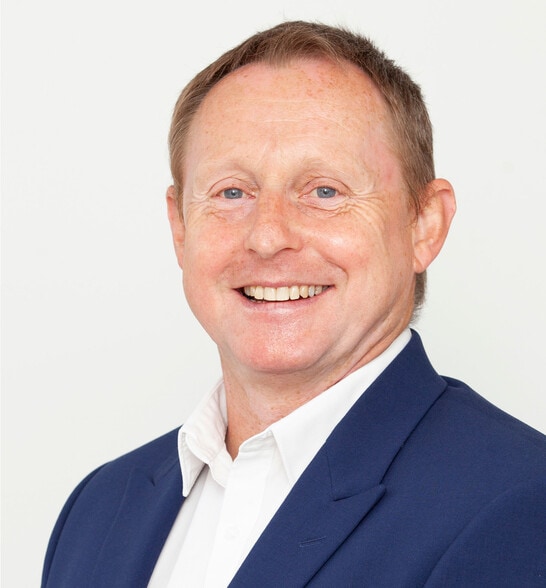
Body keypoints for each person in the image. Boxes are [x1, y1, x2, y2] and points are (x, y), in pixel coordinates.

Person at [41, 21, 546, 587]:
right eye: (232, 192)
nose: (267, 236)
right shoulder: (98, 510)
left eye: (324, 191)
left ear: (425, 224)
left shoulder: (523, 506)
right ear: (180, 229)